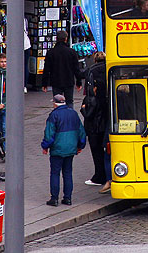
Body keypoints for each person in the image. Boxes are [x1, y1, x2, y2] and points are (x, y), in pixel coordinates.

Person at [42, 94, 87, 207]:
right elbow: (81, 132)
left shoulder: (54, 115)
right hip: (71, 149)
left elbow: (49, 134)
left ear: (55, 103)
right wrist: (80, 146)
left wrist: (45, 146)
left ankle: (54, 199)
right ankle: (68, 198)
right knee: (67, 173)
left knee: (55, 173)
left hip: (58, 149)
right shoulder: (73, 113)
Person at [81, 52, 109, 189]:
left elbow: (89, 108)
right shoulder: (110, 69)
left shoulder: (91, 72)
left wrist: (83, 109)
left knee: (96, 150)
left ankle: (99, 176)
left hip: (95, 123)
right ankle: (107, 174)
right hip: (107, 119)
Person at [42, 30, 82, 107]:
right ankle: (70, 117)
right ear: (66, 39)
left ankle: (58, 117)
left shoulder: (51, 52)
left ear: (56, 38)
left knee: (57, 102)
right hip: (69, 80)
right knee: (69, 101)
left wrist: (44, 83)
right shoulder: (71, 52)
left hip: (56, 81)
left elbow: (46, 69)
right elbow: (76, 69)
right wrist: (79, 82)